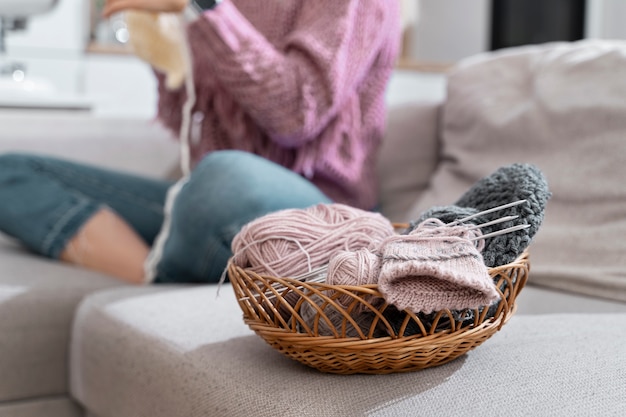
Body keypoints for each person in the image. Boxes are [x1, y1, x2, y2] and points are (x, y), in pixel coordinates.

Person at [0, 0, 402, 284]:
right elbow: (185, 123)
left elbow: (296, 112)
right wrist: (157, 38)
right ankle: (152, 277)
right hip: (211, 203)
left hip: (321, 216)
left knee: (224, 174)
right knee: (10, 174)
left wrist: (206, 7)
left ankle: (173, 263)